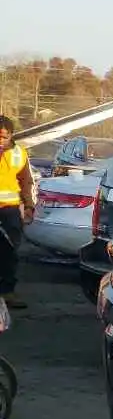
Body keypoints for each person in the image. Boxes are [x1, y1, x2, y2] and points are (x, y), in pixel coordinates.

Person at [0, 115, 35, 310]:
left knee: (9, 251)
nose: (1, 140)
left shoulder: (19, 154)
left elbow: (26, 182)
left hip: (9, 210)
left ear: (11, 135)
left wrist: (29, 206)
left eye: (4, 137)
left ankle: (7, 292)